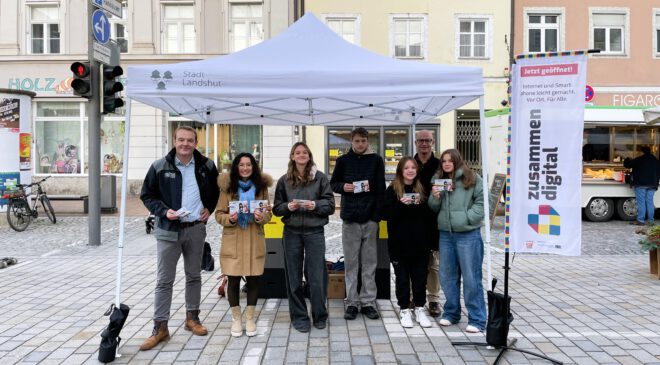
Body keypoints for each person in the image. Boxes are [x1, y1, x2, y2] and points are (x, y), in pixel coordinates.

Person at [139, 126, 220, 350]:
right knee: (164, 280)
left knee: (194, 275)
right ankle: (160, 327)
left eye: (190, 140)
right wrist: (164, 211)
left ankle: (192, 318)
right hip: (168, 229)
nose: (185, 144)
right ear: (174, 141)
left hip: (195, 228)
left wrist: (209, 208)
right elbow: (147, 195)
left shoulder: (207, 166)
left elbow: (215, 191)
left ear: (196, 142)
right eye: (181, 140)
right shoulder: (159, 166)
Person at [273, 142, 335, 332]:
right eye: (297, 152)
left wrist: (315, 205)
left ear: (309, 156)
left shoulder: (320, 178)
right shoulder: (284, 180)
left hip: (315, 232)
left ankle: (319, 314)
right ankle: (299, 316)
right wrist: (287, 207)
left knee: (316, 276)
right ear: (292, 156)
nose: (301, 155)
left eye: (304, 152)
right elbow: (276, 208)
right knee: (294, 277)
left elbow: (330, 205)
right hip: (291, 233)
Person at [428, 148, 486, 333]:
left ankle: (477, 319)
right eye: (444, 161)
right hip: (446, 234)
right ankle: (452, 313)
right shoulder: (439, 180)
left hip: (468, 235)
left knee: (471, 277)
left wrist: (468, 218)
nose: (446, 164)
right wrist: (435, 197)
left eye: (450, 160)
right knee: (447, 276)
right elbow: (433, 207)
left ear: (457, 161)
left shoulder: (472, 178)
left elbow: (485, 201)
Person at [330, 127, 385, 320]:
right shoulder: (343, 161)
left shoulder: (377, 160)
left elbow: (380, 189)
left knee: (369, 263)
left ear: (367, 141)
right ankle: (352, 302)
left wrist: (375, 217)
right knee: (351, 263)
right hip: (350, 218)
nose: (360, 144)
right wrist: (342, 187)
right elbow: (333, 183)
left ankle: (368, 302)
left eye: (363, 141)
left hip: (370, 219)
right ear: (351, 142)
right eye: (357, 141)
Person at [216, 152, 273, 337]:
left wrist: (262, 216)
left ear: (253, 167)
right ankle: (236, 319)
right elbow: (218, 214)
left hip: (254, 236)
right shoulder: (227, 188)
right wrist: (229, 218)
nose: (245, 168)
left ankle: (249, 318)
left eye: (249, 165)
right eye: (241, 165)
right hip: (234, 238)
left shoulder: (261, 188)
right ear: (236, 167)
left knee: (254, 279)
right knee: (232, 279)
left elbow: (268, 214)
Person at [382, 157, 434, 328]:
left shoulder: (422, 189)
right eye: (406, 168)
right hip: (399, 245)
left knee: (420, 279)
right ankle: (404, 310)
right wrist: (401, 205)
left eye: (413, 167)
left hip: (420, 244)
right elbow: (385, 215)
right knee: (402, 279)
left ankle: (419, 309)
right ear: (400, 171)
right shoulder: (392, 190)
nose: (410, 170)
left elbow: (429, 216)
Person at [413, 130, 442, 317]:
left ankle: (433, 300)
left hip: (434, 220)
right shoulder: (409, 163)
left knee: (433, 264)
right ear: (415, 142)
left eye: (428, 141)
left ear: (433, 142)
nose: (424, 144)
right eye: (421, 140)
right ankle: (412, 297)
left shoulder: (440, 165)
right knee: (414, 261)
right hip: (413, 220)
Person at [624, 146, 660, 226]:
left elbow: (627, 165)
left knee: (641, 203)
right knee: (650, 202)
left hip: (641, 184)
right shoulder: (656, 161)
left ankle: (641, 220)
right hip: (652, 184)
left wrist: (627, 159)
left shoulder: (639, 159)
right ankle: (651, 221)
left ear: (642, 152)